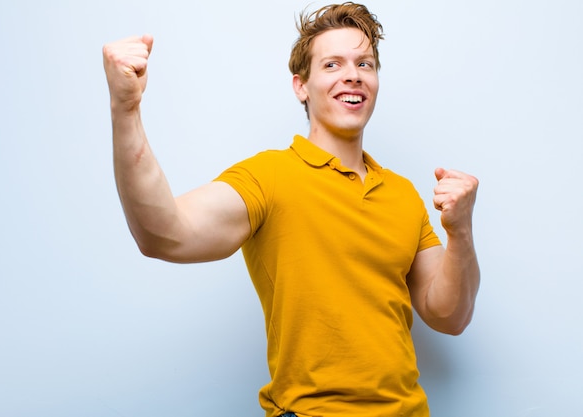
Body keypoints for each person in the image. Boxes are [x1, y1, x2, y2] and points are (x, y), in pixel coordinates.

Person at [102, 2, 480, 416]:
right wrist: (127, 109)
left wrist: (460, 231)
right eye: (332, 64)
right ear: (301, 85)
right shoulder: (269, 177)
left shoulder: (403, 194)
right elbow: (163, 233)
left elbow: (450, 316)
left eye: (365, 64)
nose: (352, 74)